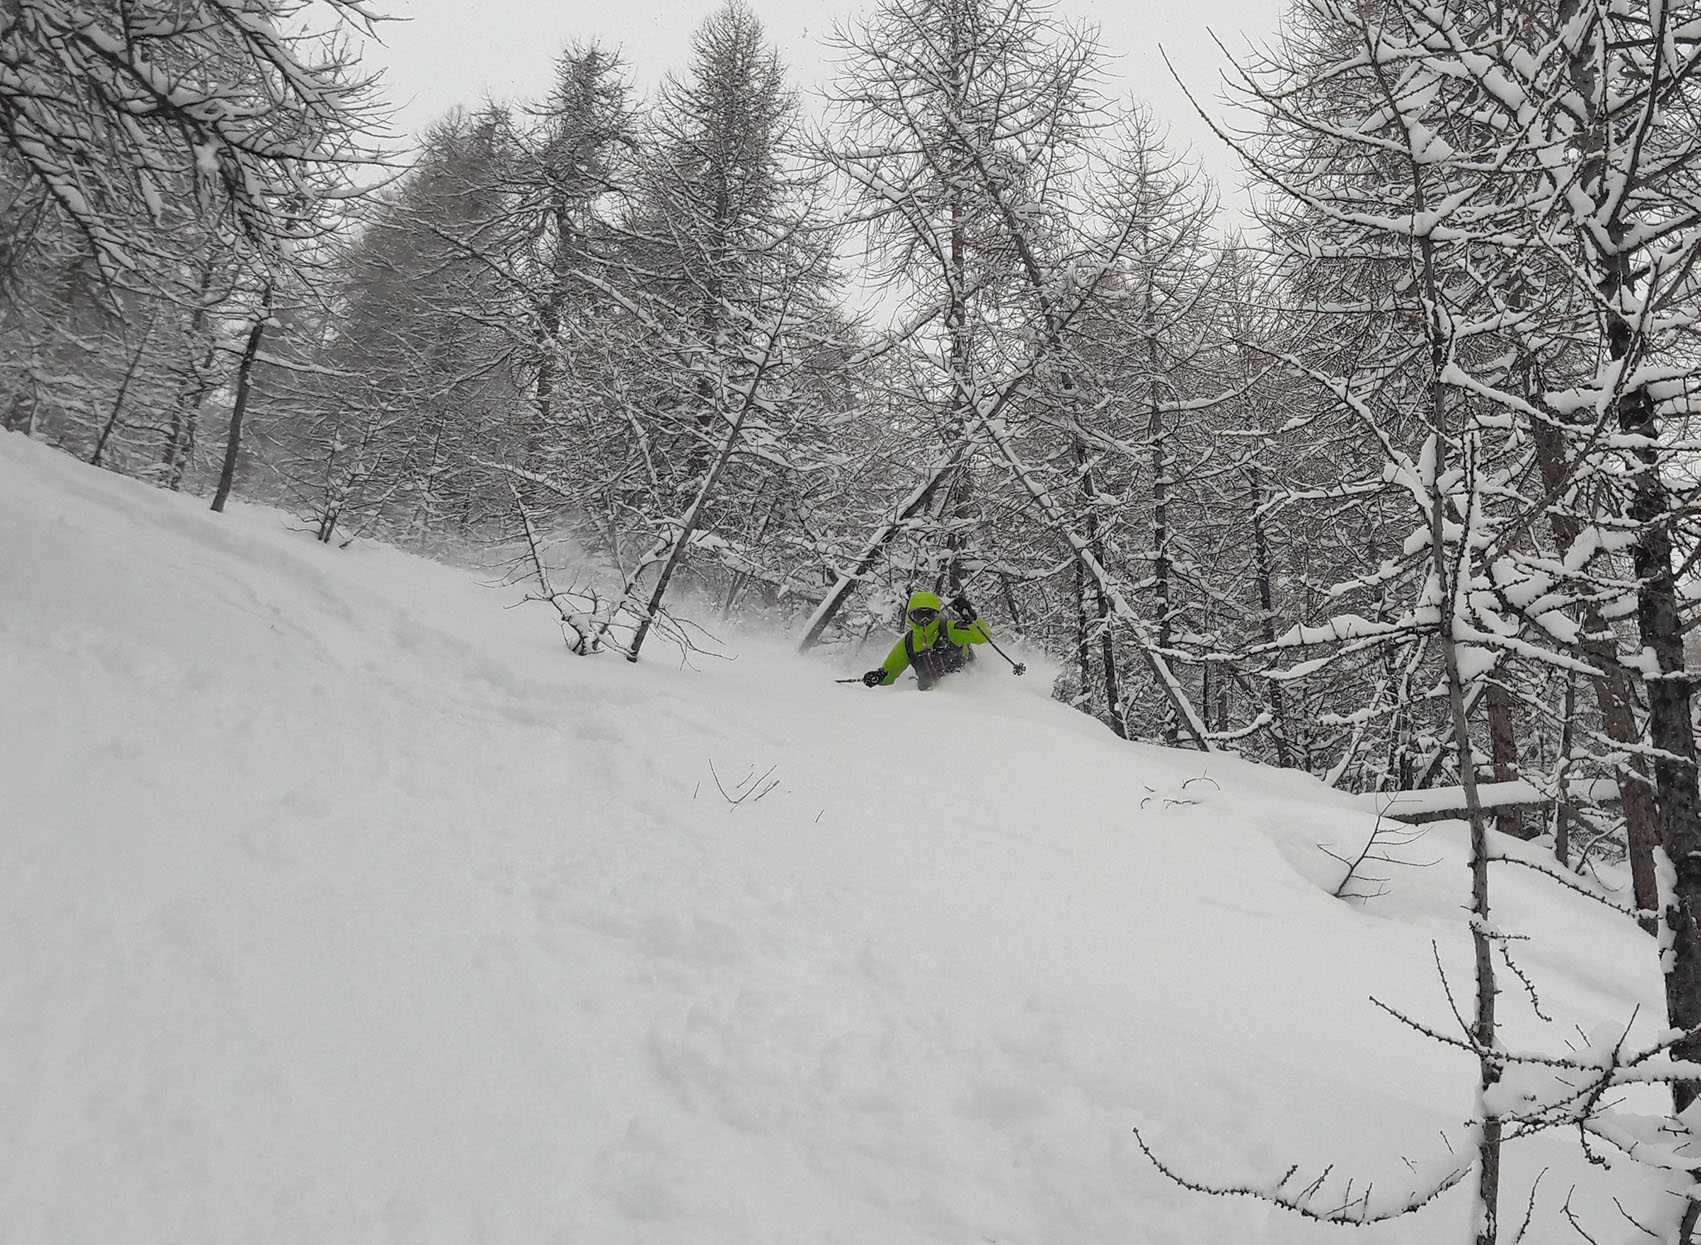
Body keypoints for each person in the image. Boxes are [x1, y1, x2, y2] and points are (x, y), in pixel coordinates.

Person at [862, 591, 990, 690]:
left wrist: (972, 619)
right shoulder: (908, 643)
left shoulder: (951, 629)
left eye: (928, 615)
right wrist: (879, 676)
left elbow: (983, 637)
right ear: (911, 617)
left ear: (936, 615)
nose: (924, 621)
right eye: (918, 615)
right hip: (927, 702)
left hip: (965, 692)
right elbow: (890, 671)